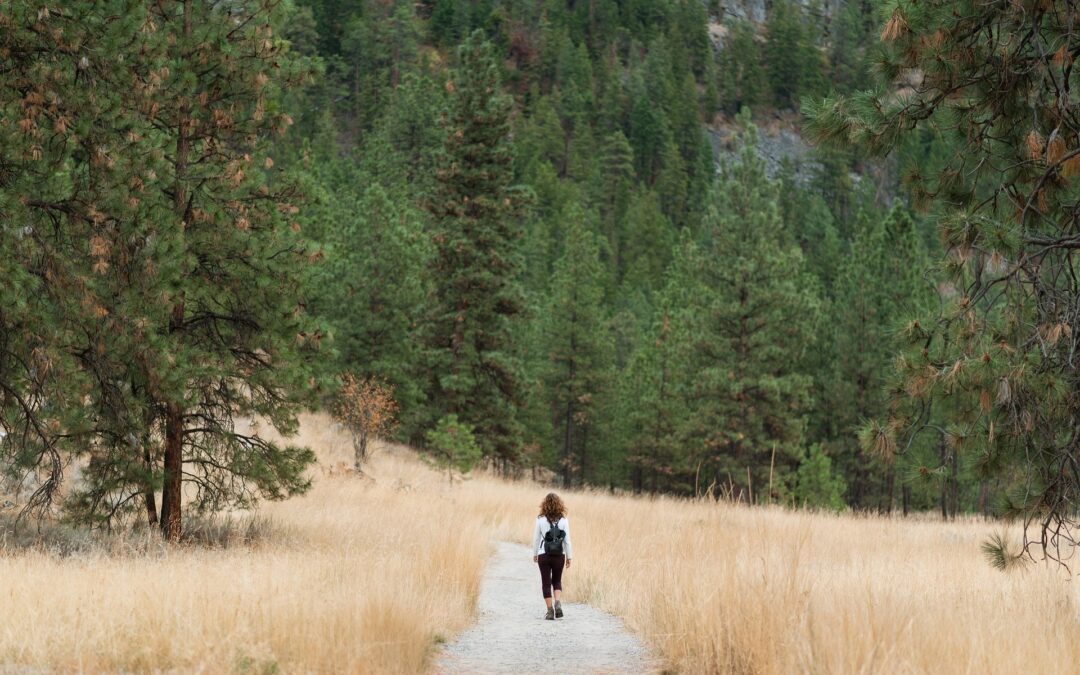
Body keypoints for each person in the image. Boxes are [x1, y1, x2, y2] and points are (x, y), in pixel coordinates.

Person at [532, 492, 572, 620]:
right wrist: (569, 557)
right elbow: (567, 541)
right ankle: (558, 602)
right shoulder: (564, 520)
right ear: (559, 504)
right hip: (559, 555)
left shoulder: (540, 519)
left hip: (544, 554)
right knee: (557, 580)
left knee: (546, 582)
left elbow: (536, 539)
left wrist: (535, 554)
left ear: (544, 504)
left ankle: (550, 611)